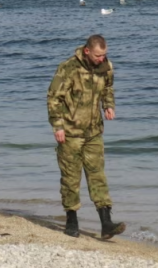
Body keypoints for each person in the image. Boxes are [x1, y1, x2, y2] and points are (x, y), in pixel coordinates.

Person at [47, 34, 126, 239]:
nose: (102, 59)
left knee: (97, 175)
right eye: (99, 55)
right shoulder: (68, 68)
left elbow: (108, 88)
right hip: (70, 132)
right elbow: (54, 98)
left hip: (93, 132)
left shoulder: (105, 67)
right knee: (71, 178)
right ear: (87, 51)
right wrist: (58, 126)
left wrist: (108, 105)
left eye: (105, 55)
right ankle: (71, 220)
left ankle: (106, 223)